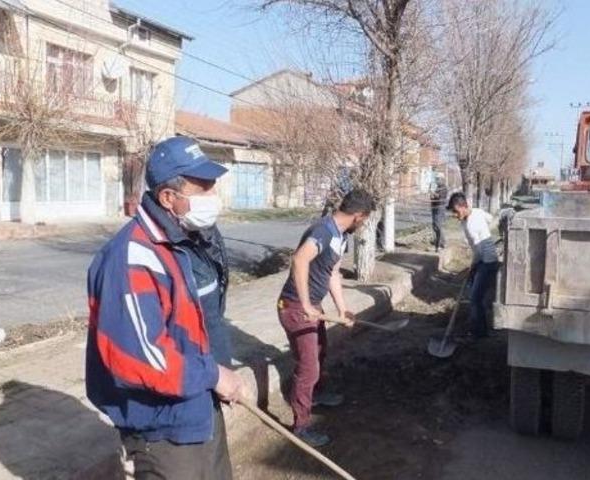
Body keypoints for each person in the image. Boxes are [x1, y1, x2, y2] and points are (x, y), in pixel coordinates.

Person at [85, 136, 246, 480]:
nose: (212, 196)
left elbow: (204, 320)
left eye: (213, 186)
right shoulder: (132, 258)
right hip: (163, 428)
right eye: (202, 188)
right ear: (168, 198)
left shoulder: (192, 240)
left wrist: (218, 376)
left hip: (201, 405)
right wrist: (215, 375)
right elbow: (140, 359)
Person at [278, 189, 375, 447]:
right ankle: (301, 427)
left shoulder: (339, 236)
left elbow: (332, 273)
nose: (363, 224)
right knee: (308, 367)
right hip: (295, 307)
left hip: (313, 306)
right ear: (358, 216)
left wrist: (342, 309)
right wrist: (307, 304)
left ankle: (316, 395)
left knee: (320, 352)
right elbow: (299, 260)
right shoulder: (323, 231)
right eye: (364, 220)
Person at [447, 192, 498, 339]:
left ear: (463, 207)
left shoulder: (470, 224)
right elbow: (490, 218)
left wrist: (472, 267)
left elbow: (479, 251)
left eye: (456, 211)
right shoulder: (476, 212)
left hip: (487, 261)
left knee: (475, 298)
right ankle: (476, 323)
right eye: (453, 213)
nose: (455, 215)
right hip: (485, 259)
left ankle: (479, 333)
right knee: (474, 291)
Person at [430, 176, 448, 252]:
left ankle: (441, 243)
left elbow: (440, 197)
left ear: (442, 180)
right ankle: (438, 242)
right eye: (436, 179)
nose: (437, 181)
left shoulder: (444, 188)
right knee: (434, 226)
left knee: (438, 225)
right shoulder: (438, 187)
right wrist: (431, 196)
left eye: (438, 179)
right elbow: (434, 198)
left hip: (439, 208)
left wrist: (433, 193)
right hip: (435, 207)